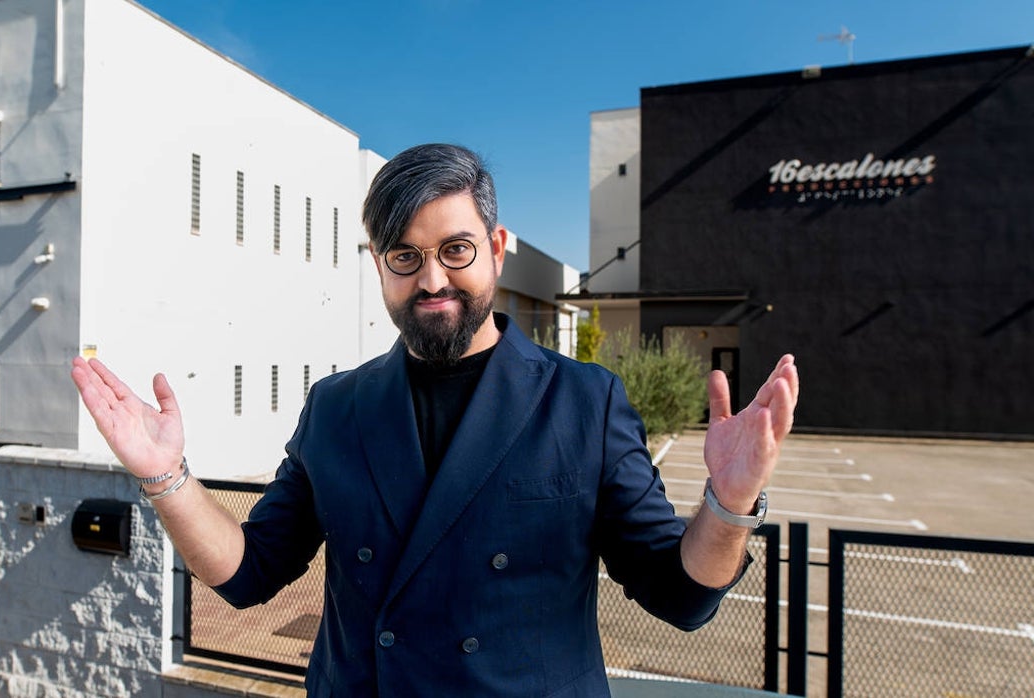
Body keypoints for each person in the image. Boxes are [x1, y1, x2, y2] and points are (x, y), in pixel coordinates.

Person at [71, 143, 799, 696]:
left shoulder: (586, 402)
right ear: (378, 263)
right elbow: (248, 574)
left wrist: (729, 505)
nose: (432, 279)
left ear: (497, 247)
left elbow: (680, 594)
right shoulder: (337, 408)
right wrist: (165, 474)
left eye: (456, 249)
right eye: (405, 256)